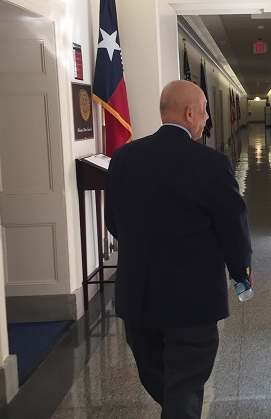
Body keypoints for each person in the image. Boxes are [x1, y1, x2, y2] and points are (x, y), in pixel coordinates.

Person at [104, 79, 253, 419]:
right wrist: (241, 273)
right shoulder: (212, 164)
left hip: (138, 298)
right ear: (189, 113)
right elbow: (234, 227)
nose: (205, 120)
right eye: (203, 113)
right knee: (183, 385)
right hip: (192, 302)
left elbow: (114, 222)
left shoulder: (124, 158)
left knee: (166, 381)